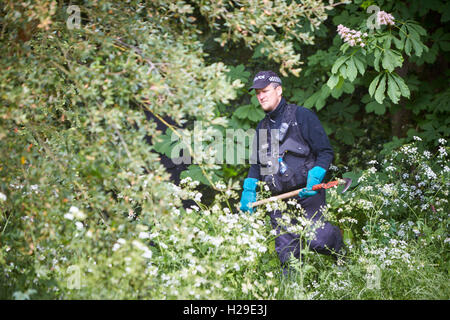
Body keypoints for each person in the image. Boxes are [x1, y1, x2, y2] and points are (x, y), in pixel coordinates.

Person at [239, 70, 343, 272]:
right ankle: (293, 291)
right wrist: (248, 191)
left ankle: (342, 255)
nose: (261, 96)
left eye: (265, 91)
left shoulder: (302, 116)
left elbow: (325, 152)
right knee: (288, 256)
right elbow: (255, 166)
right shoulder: (261, 128)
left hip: (307, 193)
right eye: (257, 93)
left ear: (279, 90)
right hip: (278, 200)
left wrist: (316, 176)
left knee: (319, 240)